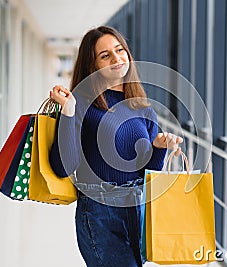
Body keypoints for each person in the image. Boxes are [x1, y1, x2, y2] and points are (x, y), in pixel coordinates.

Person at [49, 26, 183, 267]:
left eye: (119, 50)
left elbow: (145, 174)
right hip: (101, 212)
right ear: (93, 67)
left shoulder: (143, 108)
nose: (116, 58)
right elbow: (63, 167)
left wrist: (159, 148)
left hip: (137, 209)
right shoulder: (80, 103)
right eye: (105, 55)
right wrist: (68, 113)